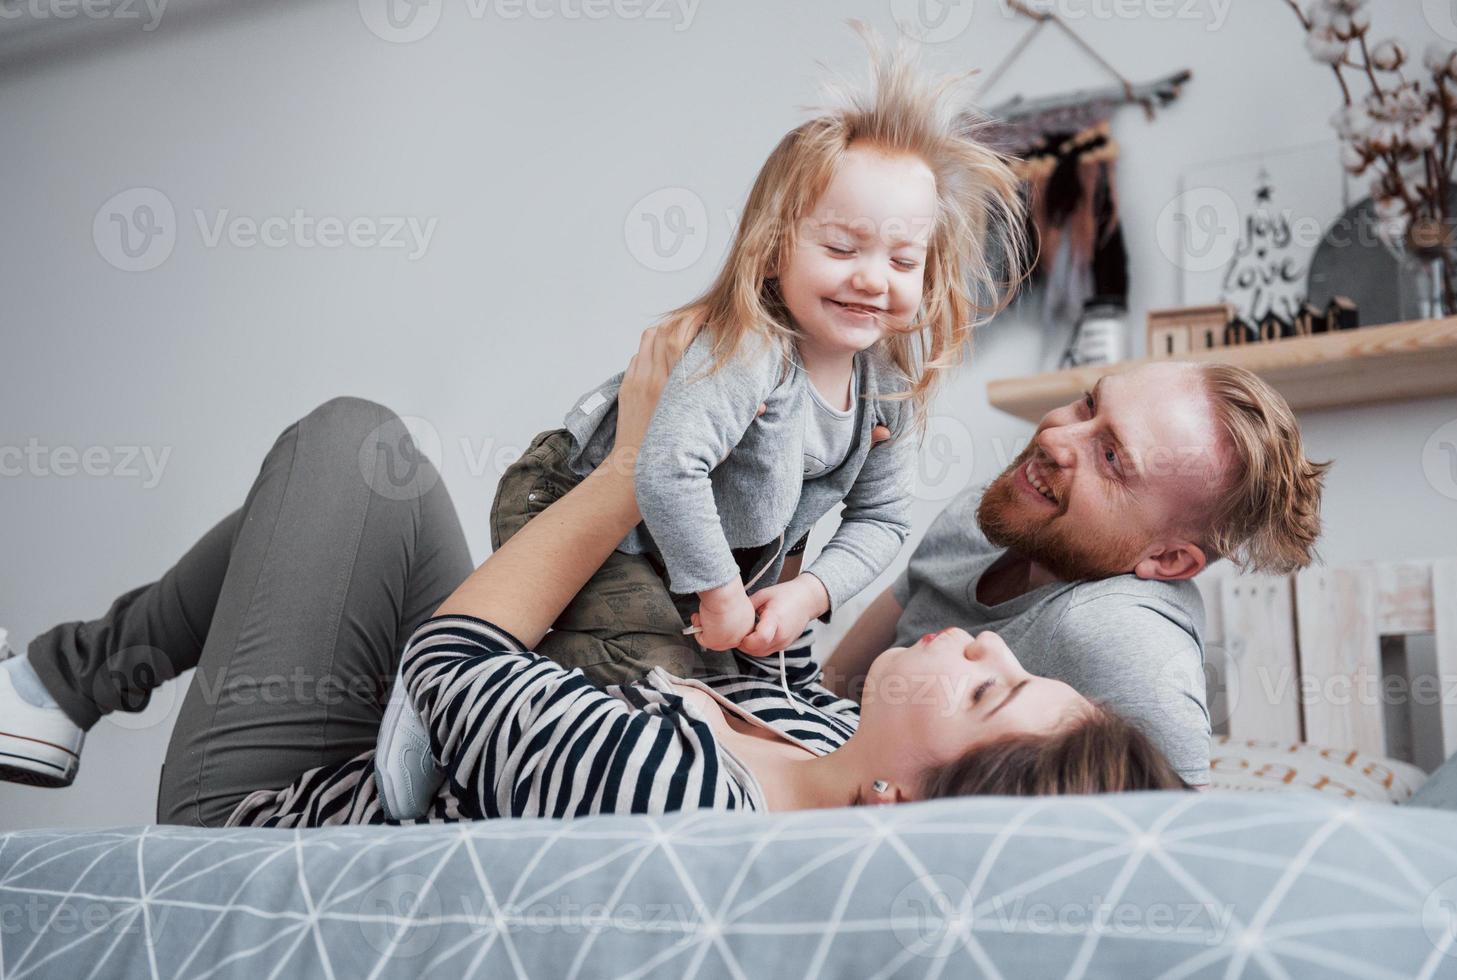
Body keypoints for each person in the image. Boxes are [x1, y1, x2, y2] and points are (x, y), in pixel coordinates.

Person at [0, 324, 1188, 827]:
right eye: (1006, 656)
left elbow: (448, 665)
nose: (985, 643)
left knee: (348, 442)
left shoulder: (681, 799)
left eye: (985, 690)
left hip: (278, 806)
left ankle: (61, 679)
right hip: (417, 743)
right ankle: (60, 683)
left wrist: (636, 457)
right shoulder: (824, 722)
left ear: (904, 812)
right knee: (388, 471)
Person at [472, 23, 1030, 694]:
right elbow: (669, 468)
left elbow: (881, 519)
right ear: (772, 251)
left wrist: (809, 596)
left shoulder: (884, 394)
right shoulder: (752, 352)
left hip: (669, 547)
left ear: (928, 274)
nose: (873, 278)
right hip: (575, 504)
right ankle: (454, 690)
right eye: (842, 249)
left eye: (902, 259)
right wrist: (718, 592)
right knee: (661, 679)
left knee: (754, 687)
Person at [822, 360, 1331, 787]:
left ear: (1169, 561)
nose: (1056, 437)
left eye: (1111, 458)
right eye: (1089, 404)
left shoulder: (1117, 635)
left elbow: (1172, 849)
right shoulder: (990, 520)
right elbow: (829, 689)